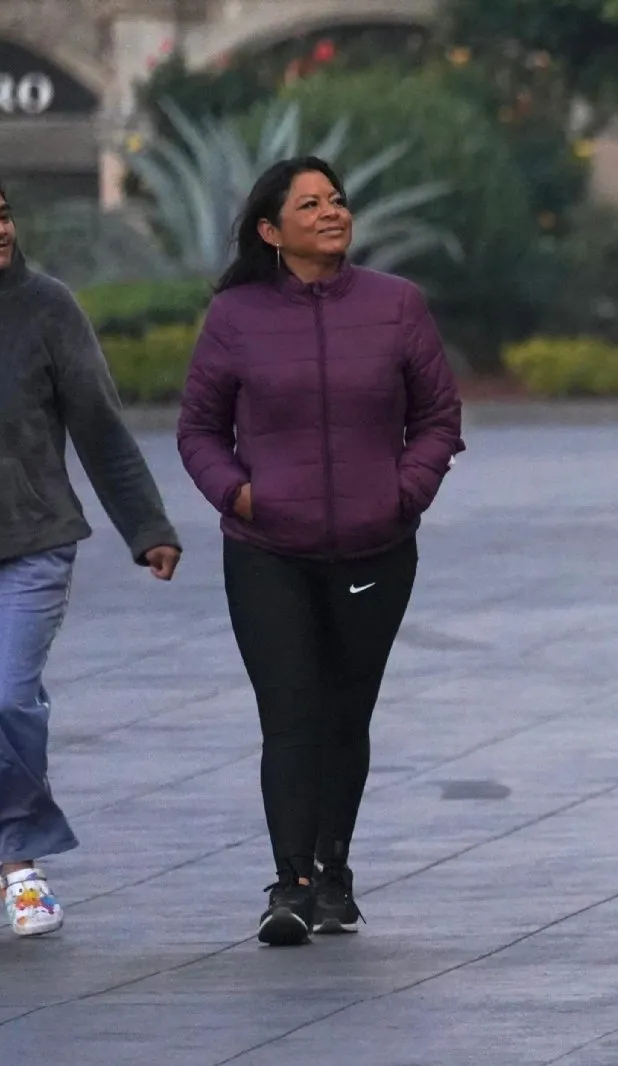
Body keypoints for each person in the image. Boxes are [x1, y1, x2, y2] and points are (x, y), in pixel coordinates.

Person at [177, 156, 463, 947]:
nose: (333, 212)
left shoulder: (397, 306)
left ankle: (335, 874)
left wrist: (404, 492)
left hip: (376, 546)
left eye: (337, 200)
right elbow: (198, 428)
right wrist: (237, 493)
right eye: (311, 205)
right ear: (272, 231)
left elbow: (439, 416)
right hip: (268, 546)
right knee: (291, 714)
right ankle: (291, 883)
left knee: (345, 712)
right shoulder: (235, 316)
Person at [0, 166, 182, 941]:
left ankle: (20, 867)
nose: (1, 228)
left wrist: (148, 526)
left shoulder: (47, 307)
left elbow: (98, 424)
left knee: (0, 706)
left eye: (6, 214)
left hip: (30, 541)